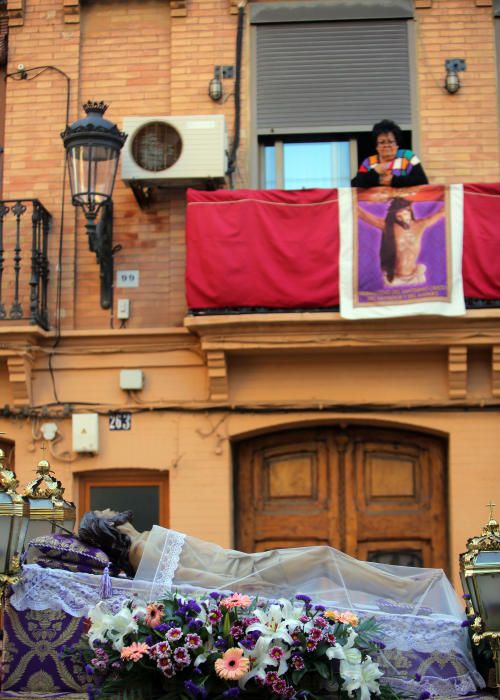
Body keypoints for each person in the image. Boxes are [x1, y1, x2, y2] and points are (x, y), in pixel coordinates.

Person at [78, 510, 463, 620]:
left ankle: (404, 593)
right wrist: (247, 587)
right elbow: (191, 580)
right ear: (107, 526)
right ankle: (404, 592)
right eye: (103, 512)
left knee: (325, 560)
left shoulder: (143, 544)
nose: (110, 508)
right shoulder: (141, 552)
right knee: (325, 559)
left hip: (247, 563)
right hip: (244, 573)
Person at [358, 196, 444, 286]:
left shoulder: (420, 225)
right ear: (395, 214)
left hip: (415, 276)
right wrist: (350, 197)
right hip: (394, 278)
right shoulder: (389, 226)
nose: (404, 216)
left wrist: (447, 193)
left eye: (406, 212)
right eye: (399, 215)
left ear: (410, 211)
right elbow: (361, 214)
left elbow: (442, 212)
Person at [351, 119, 428, 188]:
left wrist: (393, 180)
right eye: (382, 142)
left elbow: (422, 181)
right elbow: (354, 184)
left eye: (390, 141)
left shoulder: (408, 156)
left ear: (397, 144)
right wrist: (375, 172)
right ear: (376, 146)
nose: (386, 145)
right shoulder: (368, 162)